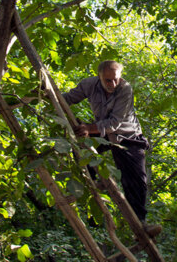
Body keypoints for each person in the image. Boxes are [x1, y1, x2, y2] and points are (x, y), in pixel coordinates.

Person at [63, 60, 162, 237]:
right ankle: (91, 187)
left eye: (115, 79)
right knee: (79, 148)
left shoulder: (125, 89)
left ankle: (140, 223)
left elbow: (114, 124)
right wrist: (45, 94)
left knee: (136, 178)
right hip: (101, 131)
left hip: (127, 135)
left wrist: (88, 128)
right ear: (99, 77)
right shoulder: (89, 84)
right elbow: (68, 98)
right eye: (107, 80)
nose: (112, 84)